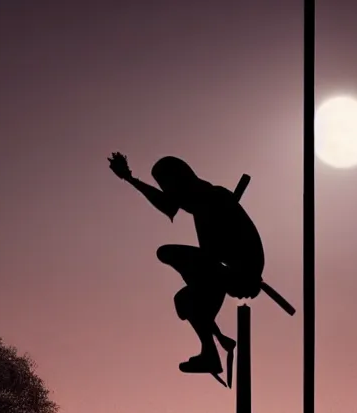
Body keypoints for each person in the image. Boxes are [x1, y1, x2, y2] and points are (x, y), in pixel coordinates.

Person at [108, 152, 265, 377]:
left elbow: (213, 259)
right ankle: (210, 350)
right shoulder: (202, 203)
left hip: (242, 272)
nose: (167, 193)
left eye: (166, 186)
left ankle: (211, 343)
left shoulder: (210, 201)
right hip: (230, 271)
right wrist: (130, 179)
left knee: (170, 258)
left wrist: (246, 277)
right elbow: (168, 205)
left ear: (179, 182)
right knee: (184, 299)